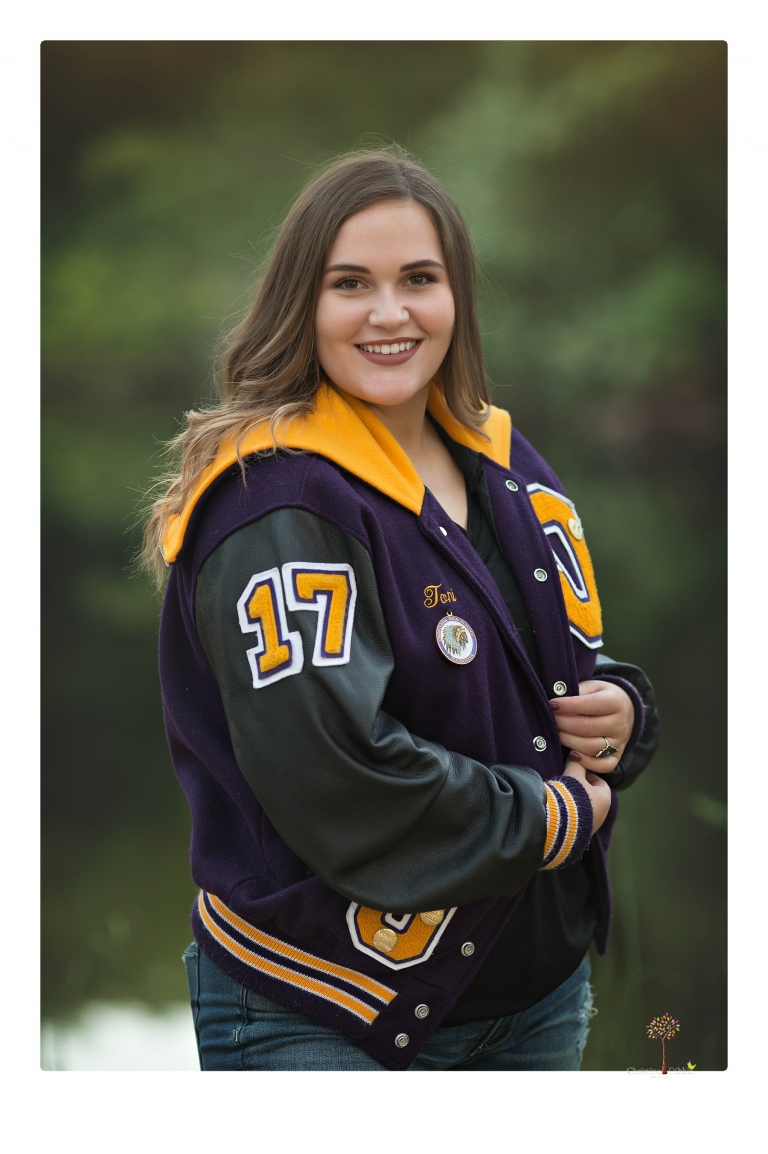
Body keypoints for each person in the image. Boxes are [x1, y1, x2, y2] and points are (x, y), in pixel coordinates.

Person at [142, 147, 659, 1071]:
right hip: (327, 1012)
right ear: (304, 303)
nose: (390, 313)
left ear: (457, 296)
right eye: (351, 284)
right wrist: (554, 820)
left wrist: (623, 709)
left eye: (419, 278)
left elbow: (550, 665)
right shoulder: (276, 504)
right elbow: (336, 776)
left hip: (537, 1000)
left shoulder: (499, 459)